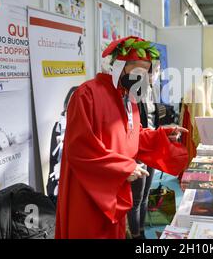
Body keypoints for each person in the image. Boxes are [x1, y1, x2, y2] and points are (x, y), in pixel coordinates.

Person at [55, 36, 188, 239]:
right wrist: (122, 168)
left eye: (147, 71)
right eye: (138, 70)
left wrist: (163, 136)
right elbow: (80, 147)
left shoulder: (128, 99)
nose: (143, 76)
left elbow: (132, 136)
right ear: (120, 66)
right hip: (90, 192)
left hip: (115, 191)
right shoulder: (87, 94)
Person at [127, 63, 161, 240]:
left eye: (157, 70)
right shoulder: (134, 92)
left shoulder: (153, 89)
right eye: (154, 71)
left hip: (152, 146)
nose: (156, 74)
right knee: (136, 198)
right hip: (139, 149)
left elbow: (155, 118)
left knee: (147, 192)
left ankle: (141, 230)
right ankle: (135, 235)